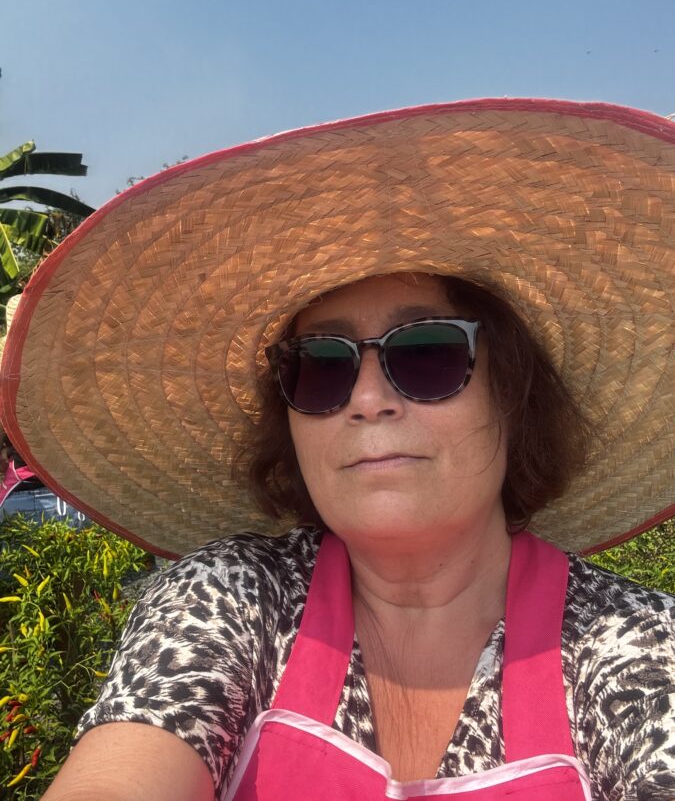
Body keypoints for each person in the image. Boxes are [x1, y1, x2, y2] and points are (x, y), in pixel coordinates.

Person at [1, 98, 673, 800]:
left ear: (512, 394)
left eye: (427, 353)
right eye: (320, 366)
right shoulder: (237, 598)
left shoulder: (634, 642)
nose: (368, 398)